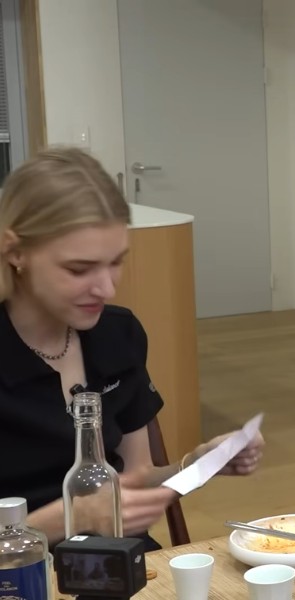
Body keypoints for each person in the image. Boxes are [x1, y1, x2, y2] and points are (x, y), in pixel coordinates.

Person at [0, 147, 265, 550]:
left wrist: (197, 464)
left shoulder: (117, 334)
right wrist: (73, 517)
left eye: (116, 262)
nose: (107, 288)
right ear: (15, 251)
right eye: (79, 269)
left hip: (118, 559)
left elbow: (133, 482)